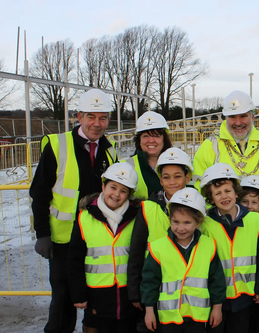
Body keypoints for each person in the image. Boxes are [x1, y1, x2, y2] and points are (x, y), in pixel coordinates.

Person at [30, 88, 117, 333]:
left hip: (97, 238)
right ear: (79, 117)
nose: (96, 124)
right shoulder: (57, 146)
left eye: (102, 118)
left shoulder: (110, 152)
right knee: (63, 302)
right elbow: (39, 193)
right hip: (63, 240)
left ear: (108, 120)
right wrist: (42, 234)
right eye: (91, 117)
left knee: (96, 299)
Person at [67, 162, 140, 333]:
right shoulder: (85, 217)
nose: (116, 194)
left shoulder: (136, 216)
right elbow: (74, 259)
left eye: (123, 191)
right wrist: (78, 294)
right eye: (113, 187)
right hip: (96, 296)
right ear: (103, 186)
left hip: (127, 296)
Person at [140, 188, 226, 333]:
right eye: (176, 222)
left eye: (187, 222)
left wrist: (217, 308)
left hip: (197, 317)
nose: (180, 228)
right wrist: (149, 311)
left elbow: (216, 280)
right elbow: (149, 282)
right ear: (169, 220)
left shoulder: (209, 245)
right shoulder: (157, 247)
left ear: (198, 222)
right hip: (168, 317)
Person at [128, 147, 193, 331]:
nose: (172, 182)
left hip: (187, 291)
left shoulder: (199, 205)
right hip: (155, 288)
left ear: (187, 178)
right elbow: (136, 252)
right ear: (160, 179)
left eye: (177, 176)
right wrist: (135, 292)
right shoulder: (148, 208)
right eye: (166, 177)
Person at [199, 163, 259, 333]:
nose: (224, 196)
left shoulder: (255, 220)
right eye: (217, 193)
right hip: (216, 297)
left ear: (236, 193)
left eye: (227, 191)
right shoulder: (206, 224)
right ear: (211, 198)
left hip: (245, 296)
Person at [193, 90, 259, 209]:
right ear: (225, 118)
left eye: (243, 116)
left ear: (252, 117)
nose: (238, 122)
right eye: (232, 117)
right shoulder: (210, 146)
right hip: (225, 223)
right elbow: (201, 190)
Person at [124, 111, 172, 199]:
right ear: (139, 140)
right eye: (145, 136)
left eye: (156, 136)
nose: (151, 140)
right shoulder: (126, 166)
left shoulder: (177, 162)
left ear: (164, 139)